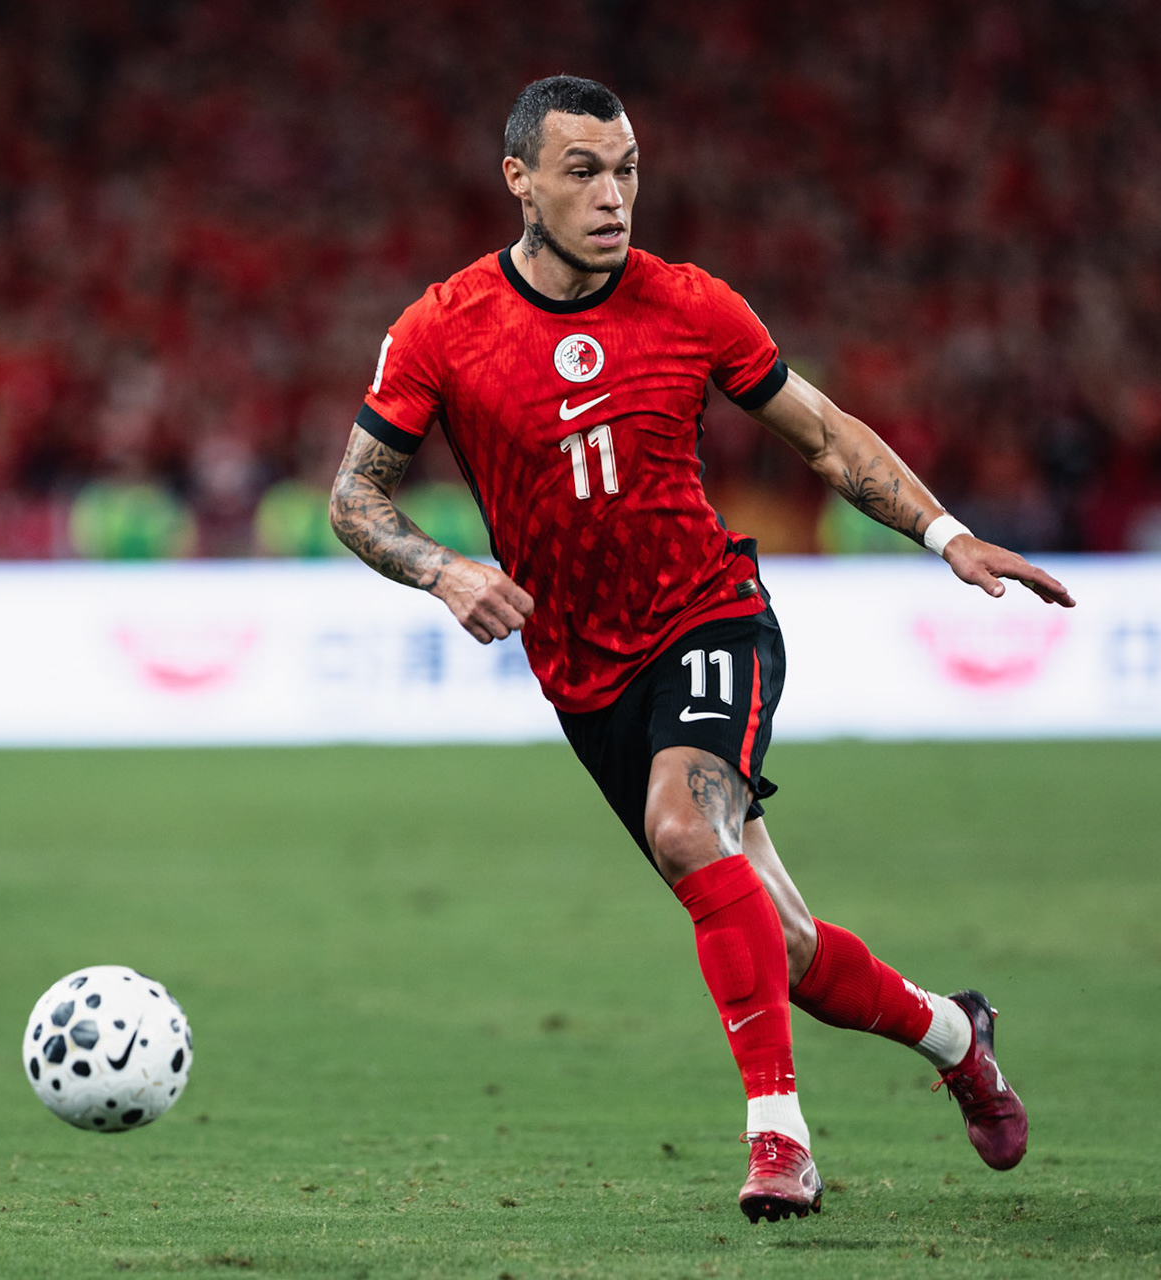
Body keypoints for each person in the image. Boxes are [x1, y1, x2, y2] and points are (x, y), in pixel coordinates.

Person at [328, 75, 1075, 1224]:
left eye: (627, 168)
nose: (614, 194)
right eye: (583, 170)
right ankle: (954, 1034)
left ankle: (779, 1138)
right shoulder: (442, 328)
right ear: (519, 179)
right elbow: (356, 497)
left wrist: (946, 534)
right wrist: (444, 567)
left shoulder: (691, 306)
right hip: (582, 668)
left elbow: (824, 435)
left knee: (687, 827)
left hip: (708, 614)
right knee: (778, 937)